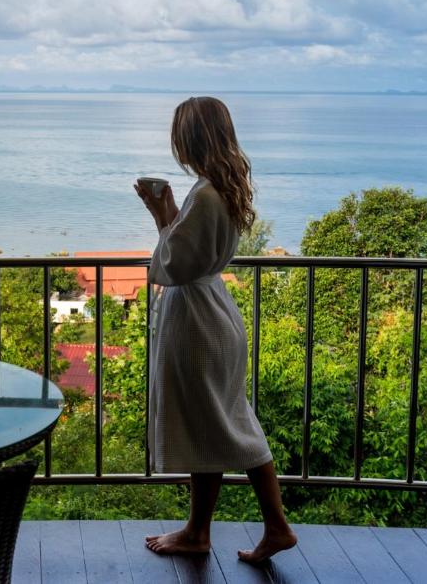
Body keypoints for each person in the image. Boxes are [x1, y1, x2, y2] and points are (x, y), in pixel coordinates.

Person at [134, 97, 296, 563]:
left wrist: (160, 219)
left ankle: (272, 526)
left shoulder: (204, 194)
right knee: (219, 421)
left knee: (226, 425)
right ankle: (200, 531)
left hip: (197, 320)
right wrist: (167, 212)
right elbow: (188, 254)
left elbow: (172, 267)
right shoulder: (221, 188)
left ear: (189, 138)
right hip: (214, 312)